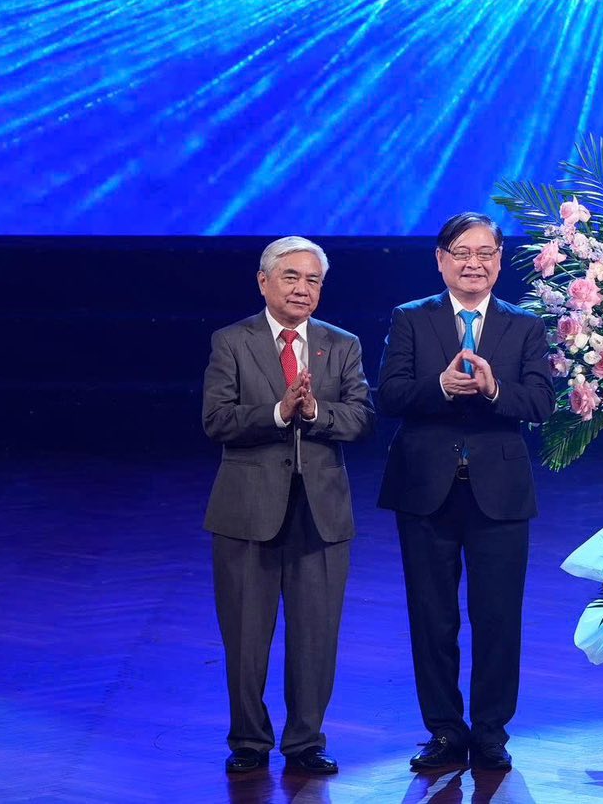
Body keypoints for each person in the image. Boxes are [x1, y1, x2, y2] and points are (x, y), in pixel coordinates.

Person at [376, 212, 554, 774]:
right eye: (461, 252)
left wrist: (494, 389)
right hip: (424, 490)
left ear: (499, 261)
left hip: (499, 494)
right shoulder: (411, 318)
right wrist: (441, 387)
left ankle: (491, 732)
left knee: (498, 617)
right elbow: (389, 395)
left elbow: (541, 403)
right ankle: (445, 732)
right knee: (433, 618)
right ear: (441, 259)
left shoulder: (525, 326)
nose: (473, 263)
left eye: (485, 253)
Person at [202, 236, 373, 776]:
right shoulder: (232, 341)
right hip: (246, 510)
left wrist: (316, 411)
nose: (302, 288)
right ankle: (248, 741)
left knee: (316, 635)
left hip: (321, 513)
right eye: (291, 277)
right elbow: (216, 420)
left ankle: (306, 742)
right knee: (245, 635)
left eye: (313, 280)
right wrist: (278, 412)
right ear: (264, 282)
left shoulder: (342, 345)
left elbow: (361, 419)